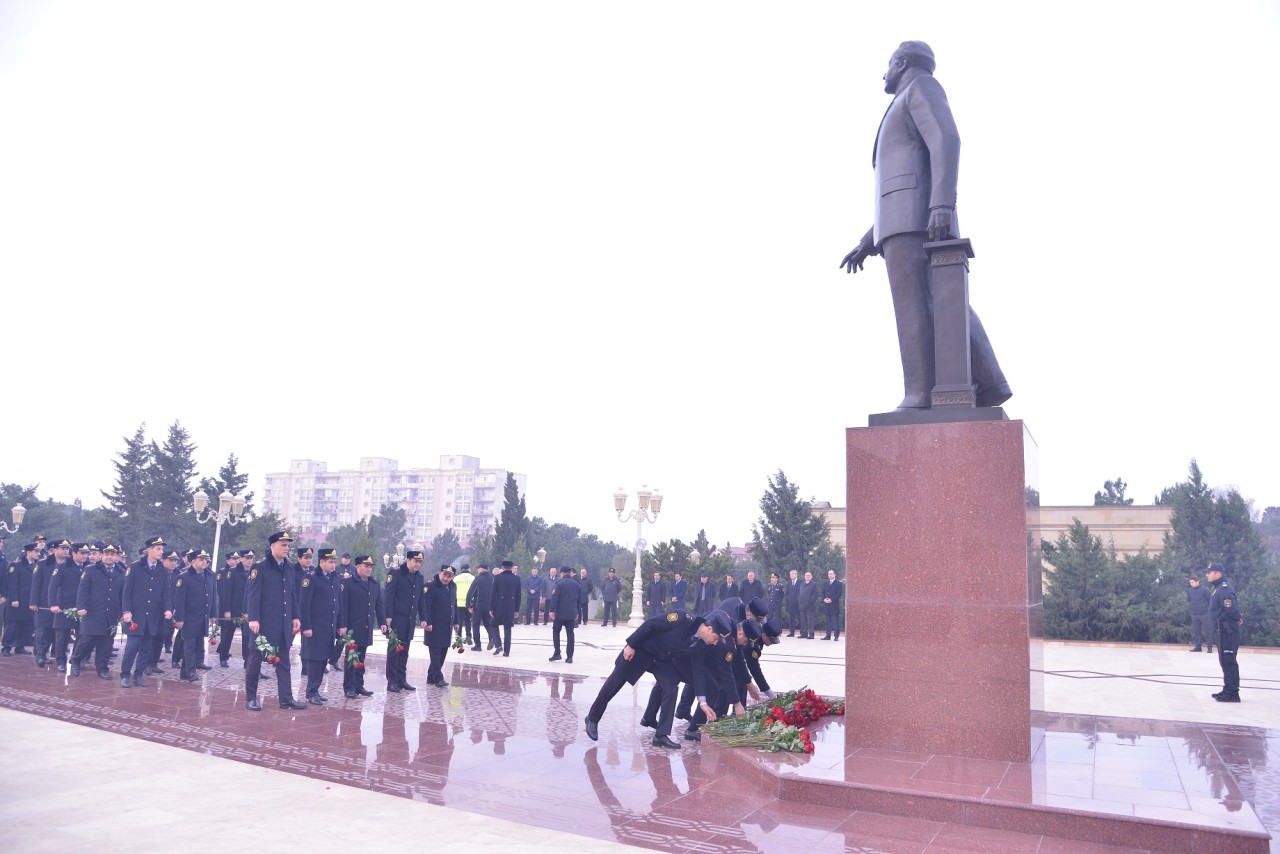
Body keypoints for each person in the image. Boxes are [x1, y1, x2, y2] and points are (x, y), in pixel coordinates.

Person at [839, 40, 1010, 412]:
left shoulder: (920, 88)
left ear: (901, 63)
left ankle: (918, 393)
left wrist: (941, 205)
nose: (883, 73)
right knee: (942, 302)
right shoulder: (905, 97)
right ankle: (991, 381)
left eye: (887, 64)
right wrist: (869, 239)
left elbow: (946, 140)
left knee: (916, 306)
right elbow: (906, 178)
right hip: (904, 221)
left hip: (916, 221)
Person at [584, 609, 733, 749]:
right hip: (642, 651)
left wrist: (703, 702)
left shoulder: (700, 645)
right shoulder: (682, 619)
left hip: (661, 660)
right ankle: (592, 718)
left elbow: (699, 673)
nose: (715, 643)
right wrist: (631, 644)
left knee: (671, 687)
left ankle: (661, 735)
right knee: (614, 684)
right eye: (716, 638)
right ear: (708, 629)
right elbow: (651, 624)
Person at [244, 531, 306, 711]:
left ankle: (286, 699)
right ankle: (251, 698)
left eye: (288, 545)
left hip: (283, 623)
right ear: (272, 546)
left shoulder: (289, 567)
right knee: (255, 661)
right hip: (263, 625)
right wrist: (253, 618)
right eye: (283, 545)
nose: (287, 548)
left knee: (284, 662)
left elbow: (292, 593)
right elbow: (253, 595)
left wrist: (295, 616)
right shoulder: (260, 567)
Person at [120, 536, 172, 688]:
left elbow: (166, 592)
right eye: (158, 549)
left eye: (162, 549)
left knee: (146, 649)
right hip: (136, 616)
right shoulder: (135, 567)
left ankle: (138, 675)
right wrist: (127, 610)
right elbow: (126, 591)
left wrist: (168, 608)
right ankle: (125, 675)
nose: (161, 552)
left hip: (153, 617)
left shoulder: (162, 570)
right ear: (148, 550)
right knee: (131, 648)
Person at [71, 542, 124, 678]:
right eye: (106, 554)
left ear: (116, 556)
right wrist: (81, 607)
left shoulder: (121, 572)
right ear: (102, 555)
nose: (109, 557)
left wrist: (123, 611)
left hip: (111, 613)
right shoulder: (90, 570)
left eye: (112, 554)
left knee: (106, 643)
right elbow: (83, 590)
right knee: (87, 640)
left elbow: (123, 594)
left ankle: (102, 668)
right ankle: (76, 661)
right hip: (93, 612)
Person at [299, 547, 344, 703]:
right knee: (314, 660)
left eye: (334, 562)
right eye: (330, 562)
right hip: (315, 627)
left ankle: (316, 690)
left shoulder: (335, 578)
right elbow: (304, 605)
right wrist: (306, 627)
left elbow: (338, 603)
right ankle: (311, 692)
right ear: (322, 562)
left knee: (324, 658)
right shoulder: (311, 578)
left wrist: (340, 623)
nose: (333, 565)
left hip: (329, 627)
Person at [340, 552, 385, 699]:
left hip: (366, 626)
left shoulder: (374, 583)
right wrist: (343, 625)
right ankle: (349, 687)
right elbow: (343, 607)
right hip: (352, 628)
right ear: (358, 567)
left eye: (371, 566)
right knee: (351, 658)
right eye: (366, 566)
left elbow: (379, 605)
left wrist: (383, 622)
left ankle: (359, 685)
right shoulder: (348, 583)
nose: (369, 569)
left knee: (361, 658)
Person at [383, 549, 427, 692]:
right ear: (407, 560)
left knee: (404, 651)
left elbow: (420, 600)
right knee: (394, 651)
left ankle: (401, 680)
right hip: (396, 619)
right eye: (415, 561)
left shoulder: (419, 577)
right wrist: (387, 616)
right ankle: (392, 681)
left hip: (409, 620)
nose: (418, 565)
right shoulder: (396, 573)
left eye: (420, 562)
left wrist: (424, 618)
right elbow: (388, 596)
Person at [172, 548, 217, 682]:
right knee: (189, 645)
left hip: (203, 616)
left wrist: (213, 614)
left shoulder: (210, 575)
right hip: (189, 617)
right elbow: (179, 600)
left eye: (205, 559)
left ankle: (184, 672)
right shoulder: (184, 577)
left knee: (197, 643)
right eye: (201, 559)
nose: (204, 562)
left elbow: (213, 597)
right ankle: (191, 672)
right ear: (192, 561)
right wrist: (179, 618)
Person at [1206, 562, 1244, 703]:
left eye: (1209, 572)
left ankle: (1233, 693)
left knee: (1229, 661)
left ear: (1218, 574)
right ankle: (1227, 689)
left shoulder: (1224, 589)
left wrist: (1238, 617)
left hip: (1227, 630)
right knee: (1224, 661)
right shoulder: (1218, 588)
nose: (1207, 574)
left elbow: (1231, 609)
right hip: (1222, 630)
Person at [49, 541, 88, 672]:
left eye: (86, 553)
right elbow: (52, 587)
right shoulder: (62, 566)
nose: (85, 556)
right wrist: (53, 604)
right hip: (64, 606)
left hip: (82, 607)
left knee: (82, 634)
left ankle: (76, 658)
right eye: (82, 553)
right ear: (74, 553)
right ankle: (60, 661)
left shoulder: (89, 567)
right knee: (62, 636)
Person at [1, 542, 38, 655]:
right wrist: (14, 599)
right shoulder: (16, 565)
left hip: (29, 600)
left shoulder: (36, 566)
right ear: (28, 552)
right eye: (35, 551)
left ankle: (20, 646)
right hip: (17, 601)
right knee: (13, 624)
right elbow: (12, 584)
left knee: (26, 624)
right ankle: (6, 647)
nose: (38, 553)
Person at [422, 565, 456, 688]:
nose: (446, 578)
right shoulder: (430, 586)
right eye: (444, 574)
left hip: (447, 626)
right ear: (439, 573)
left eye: (449, 576)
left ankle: (431, 677)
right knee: (435, 653)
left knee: (442, 652)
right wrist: (427, 621)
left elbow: (454, 605)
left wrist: (456, 622)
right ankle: (438, 678)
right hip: (434, 626)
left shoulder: (452, 586)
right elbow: (426, 605)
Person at [216, 551, 250, 667]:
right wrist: (227, 610)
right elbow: (227, 592)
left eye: (251, 558)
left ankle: (247, 661)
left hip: (246, 610)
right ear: (242, 559)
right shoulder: (233, 571)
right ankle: (223, 657)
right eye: (247, 558)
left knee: (247, 637)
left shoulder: (252, 572)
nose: (249, 560)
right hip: (234, 609)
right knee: (227, 635)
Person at [549, 566, 581, 664]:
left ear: (562, 573)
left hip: (560, 613)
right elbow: (579, 601)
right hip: (571, 613)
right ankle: (570, 656)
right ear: (570, 573)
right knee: (570, 634)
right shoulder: (577, 585)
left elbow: (555, 599)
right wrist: (577, 612)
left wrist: (551, 611)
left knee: (556, 632)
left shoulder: (558, 584)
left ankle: (557, 653)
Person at [490, 560, 522, 656]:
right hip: (511, 606)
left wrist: (490, 607)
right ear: (512, 568)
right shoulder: (517, 579)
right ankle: (506, 652)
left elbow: (492, 594)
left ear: (502, 567)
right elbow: (518, 595)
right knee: (507, 628)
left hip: (499, 605)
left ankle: (499, 645)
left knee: (493, 624)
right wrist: (517, 609)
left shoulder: (497, 578)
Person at [466, 563, 494, 650]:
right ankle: (492, 638)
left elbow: (470, 593)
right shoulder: (492, 579)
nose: (477, 570)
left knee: (475, 625)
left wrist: (468, 605)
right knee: (488, 624)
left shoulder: (477, 579)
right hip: (489, 607)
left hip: (478, 606)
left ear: (482, 569)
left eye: (478, 569)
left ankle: (478, 645)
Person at [1187, 577, 1213, 653]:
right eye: (1190, 582)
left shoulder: (1205, 590)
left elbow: (1210, 601)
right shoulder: (1189, 591)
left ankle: (1209, 648)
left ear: (1197, 582)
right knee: (1196, 632)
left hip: (1205, 614)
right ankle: (1198, 647)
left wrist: (1208, 610)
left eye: (1193, 582)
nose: (1191, 584)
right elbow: (1189, 600)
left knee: (1208, 631)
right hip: (1195, 614)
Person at [452, 564, 474, 645]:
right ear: (468, 569)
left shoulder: (456, 578)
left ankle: (459, 640)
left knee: (458, 622)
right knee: (468, 621)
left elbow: (452, 591)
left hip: (458, 603)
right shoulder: (473, 578)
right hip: (469, 605)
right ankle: (468, 636)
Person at [821, 569, 844, 641]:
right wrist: (824, 599)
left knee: (835, 622)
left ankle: (836, 636)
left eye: (831, 574)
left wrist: (831, 600)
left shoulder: (838, 583)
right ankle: (828, 635)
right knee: (827, 622)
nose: (830, 575)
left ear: (834, 575)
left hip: (834, 605)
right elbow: (823, 592)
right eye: (829, 574)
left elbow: (839, 593)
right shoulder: (826, 583)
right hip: (826, 606)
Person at [797, 571, 819, 639]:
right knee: (803, 620)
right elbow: (799, 593)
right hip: (802, 605)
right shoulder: (802, 584)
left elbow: (815, 594)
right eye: (806, 575)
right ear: (804, 577)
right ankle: (804, 633)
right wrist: (799, 599)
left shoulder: (814, 584)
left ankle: (811, 634)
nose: (807, 576)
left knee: (810, 620)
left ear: (811, 577)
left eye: (809, 575)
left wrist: (810, 601)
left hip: (810, 605)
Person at [785, 569, 801, 637]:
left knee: (800, 618)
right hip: (791, 603)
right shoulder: (789, 583)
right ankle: (792, 632)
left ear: (796, 574)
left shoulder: (800, 582)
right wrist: (788, 600)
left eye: (792, 574)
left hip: (799, 604)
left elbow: (802, 593)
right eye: (790, 574)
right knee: (791, 618)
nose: (791, 575)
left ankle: (802, 632)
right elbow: (787, 593)